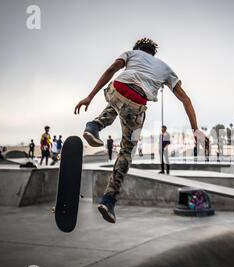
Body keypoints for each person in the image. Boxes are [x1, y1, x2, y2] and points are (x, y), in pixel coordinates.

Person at [74, 38, 205, 223]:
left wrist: (89, 97)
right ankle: (109, 200)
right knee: (126, 152)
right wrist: (195, 129)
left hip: (115, 89)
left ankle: (94, 126)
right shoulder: (165, 67)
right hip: (137, 104)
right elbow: (185, 99)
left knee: (117, 103)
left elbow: (111, 70)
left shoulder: (131, 53)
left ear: (138, 49)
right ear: (153, 54)